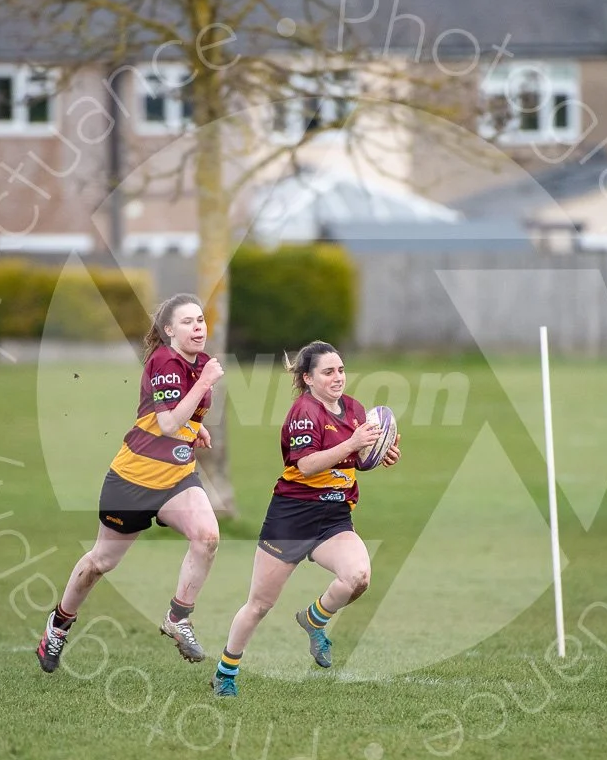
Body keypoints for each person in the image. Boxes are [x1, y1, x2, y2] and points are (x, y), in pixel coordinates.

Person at [37, 293, 224, 672]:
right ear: (168, 330)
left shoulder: (200, 362)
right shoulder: (165, 361)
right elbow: (168, 422)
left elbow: (177, 416)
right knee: (101, 562)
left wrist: (196, 427)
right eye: (187, 321)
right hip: (134, 480)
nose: (197, 327)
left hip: (177, 478)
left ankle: (178, 618)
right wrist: (204, 384)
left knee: (207, 537)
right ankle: (58, 625)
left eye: (200, 320)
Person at [210, 341, 400, 697]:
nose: (337, 377)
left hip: (334, 518)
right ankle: (225, 672)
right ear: (308, 378)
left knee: (358, 577)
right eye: (328, 372)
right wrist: (353, 443)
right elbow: (308, 464)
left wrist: (378, 453)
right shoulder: (304, 412)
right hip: (291, 519)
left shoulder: (354, 409)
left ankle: (314, 619)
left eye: (340, 370)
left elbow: (355, 459)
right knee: (259, 605)